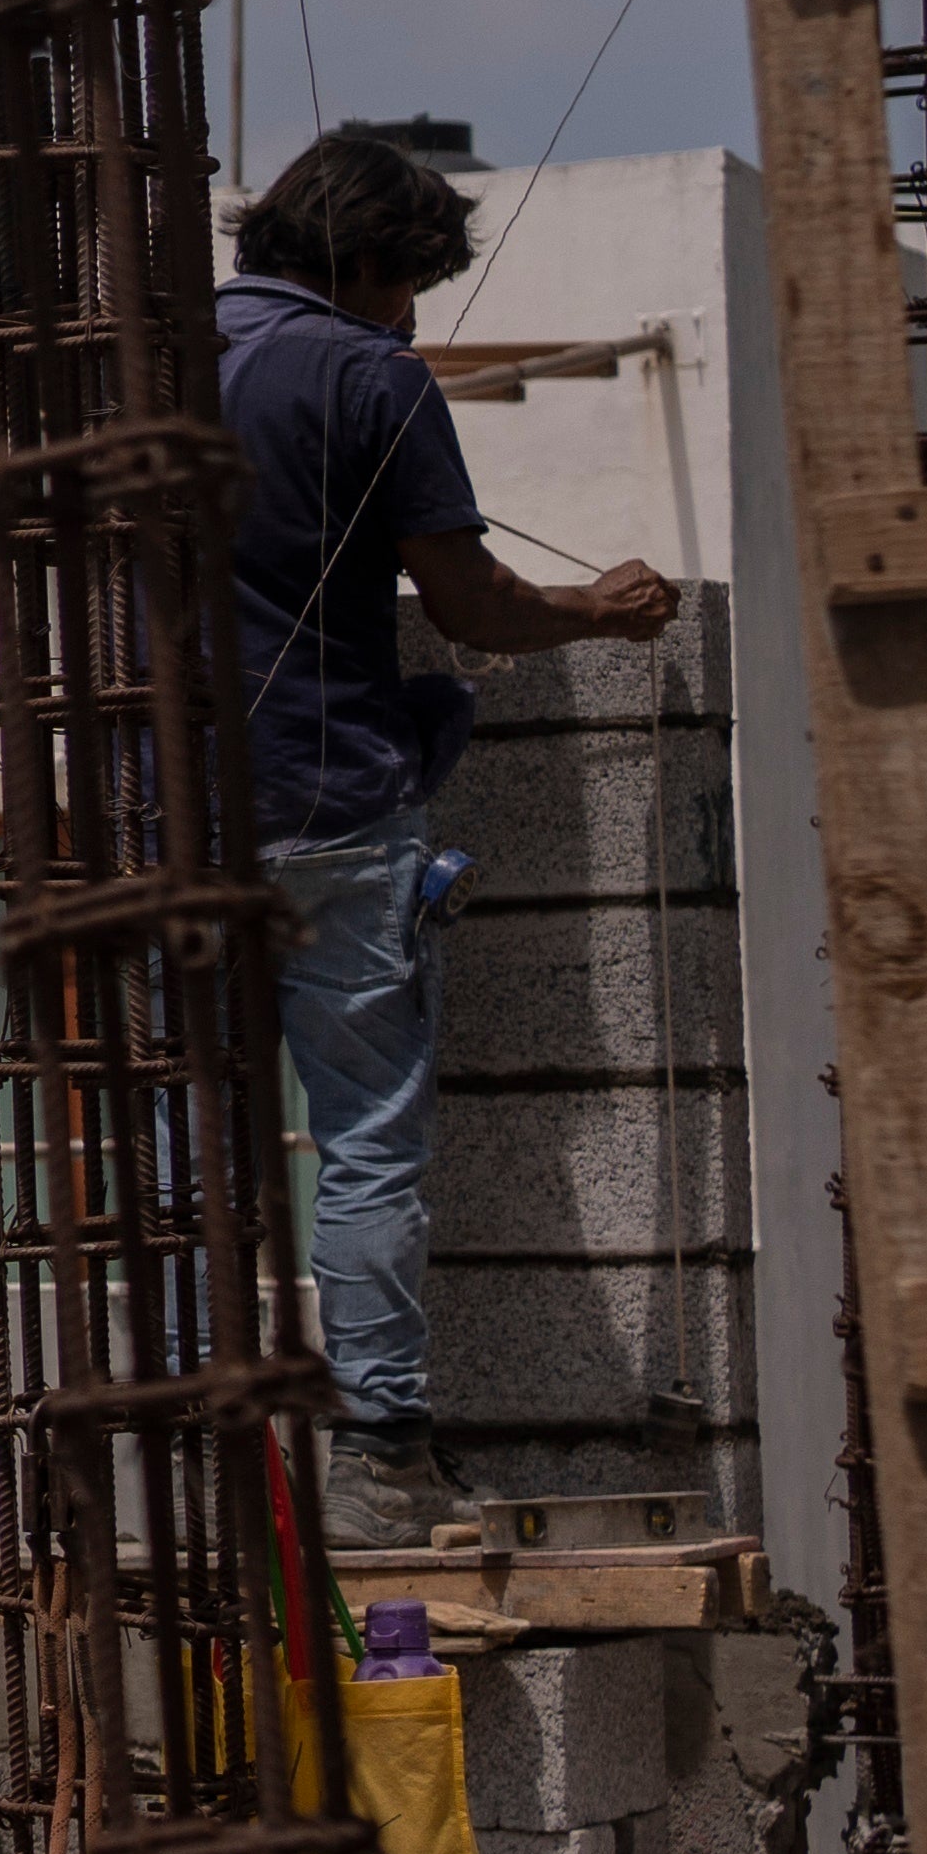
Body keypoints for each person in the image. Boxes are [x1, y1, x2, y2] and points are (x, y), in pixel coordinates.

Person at [218, 123, 679, 1549]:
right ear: (366, 264)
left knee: (180, 1149)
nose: (416, 312)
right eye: (410, 283)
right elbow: (472, 609)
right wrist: (596, 612)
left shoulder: (130, 365)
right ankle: (381, 1463)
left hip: (147, 833)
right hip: (329, 810)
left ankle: (194, 1462)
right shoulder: (371, 375)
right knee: (361, 1141)